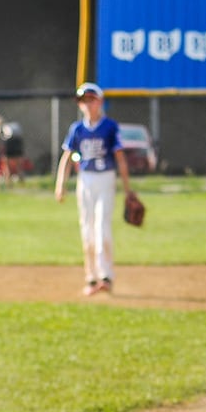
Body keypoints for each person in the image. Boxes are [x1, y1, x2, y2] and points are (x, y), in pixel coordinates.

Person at [53, 83, 132, 296]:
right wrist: (61, 184)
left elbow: (120, 158)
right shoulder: (77, 129)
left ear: (100, 102)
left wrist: (128, 189)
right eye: (83, 101)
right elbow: (67, 158)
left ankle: (106, 276)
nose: (87, 104)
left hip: (106, 178)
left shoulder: (110, 127)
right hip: (85, 180)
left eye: (91, 99)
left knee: (101, 227)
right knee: (86, 229)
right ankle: (91, 277)